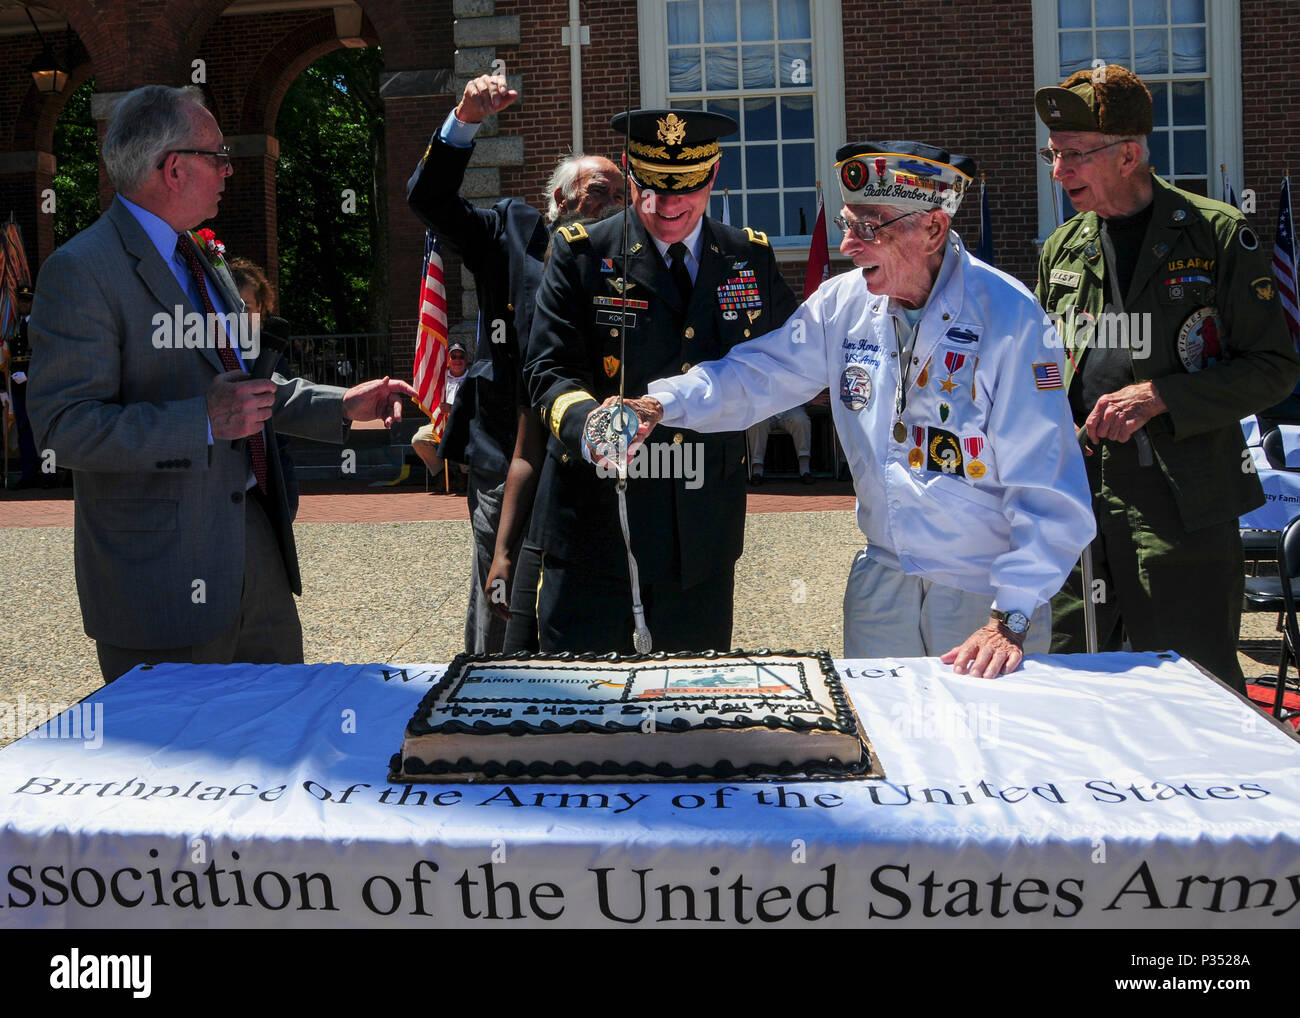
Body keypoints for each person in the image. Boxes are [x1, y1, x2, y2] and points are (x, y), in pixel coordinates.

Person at [620, 141, 1095, 677]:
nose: (848, 244)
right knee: (885, 748)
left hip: (981, 594)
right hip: (881, 582)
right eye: (848, 223)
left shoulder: (1011, 317)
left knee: (988, 750)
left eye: (870, 228)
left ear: (933, 230)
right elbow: (758, 374)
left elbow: (1048, 487)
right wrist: (658, 402)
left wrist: (1011, 614)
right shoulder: (843, 302)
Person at [26, 84, 418, 683]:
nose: (229, 168)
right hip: (159, 576)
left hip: (254, 554)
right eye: (218, 153)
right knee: (177, 770)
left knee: (281, 741)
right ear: (174, 168)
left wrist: (343, 404)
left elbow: (246, 387)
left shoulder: (199, 259)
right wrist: (200, 421)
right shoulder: (82, 271)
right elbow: (62, 429)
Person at [1034, 65, 1300, 692]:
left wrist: (1161, 395)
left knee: (1193, 687)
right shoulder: (1062, 249)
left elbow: (1274, 370)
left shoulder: (1217, 236)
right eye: (1053, 155)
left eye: (1075, 154)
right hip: (1079, 502)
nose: (1059, 170)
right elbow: (1047, 368)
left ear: (1130, 154)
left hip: (1182, 506)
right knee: (1074, 682)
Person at [524, 108, 799, 654]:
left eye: (685, 192)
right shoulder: (582, 255)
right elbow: (546, 370)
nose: (667, 207)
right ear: (631, 172)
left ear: (713, 174)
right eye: (652, 190)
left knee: (690, 711)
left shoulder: (748, 257)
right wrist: (590, 421)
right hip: (595, 531)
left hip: (699, 535)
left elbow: (788, 359)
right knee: (584, 711)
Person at [407, 72, 624, 654]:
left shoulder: (630, 258)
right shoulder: (508, 233)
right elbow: (429, 200)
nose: (614, 204)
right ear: (561, 200)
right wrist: (466, 122)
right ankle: (486, 709)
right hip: (509, 449)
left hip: (592, 459)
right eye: (601, 190)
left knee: (581, 596)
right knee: (502, 598)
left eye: (621, 195)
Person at [228, 257, 299, 519]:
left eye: (246, 308)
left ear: (261, 308)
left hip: (274, 465)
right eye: (231, 307)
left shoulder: (272, 352)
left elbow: (282, 399)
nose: (239, 315)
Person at [411, 342, 469, 493]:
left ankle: (465, 475)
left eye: (461, 356)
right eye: (453, 356)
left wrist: (453, 409)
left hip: (464, 425)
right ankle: (442, 473)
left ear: (466, 359)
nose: (457, 360)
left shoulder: (473, 379)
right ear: (448, 360)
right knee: (419, 439)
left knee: (464, 435)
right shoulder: (440, 379)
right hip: (440, 424)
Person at [4, 285, 40, 487]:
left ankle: (46, 473)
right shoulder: (13, 326)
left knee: (38, 427)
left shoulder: (37, 325)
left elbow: (44, 355)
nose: (24, 305)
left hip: (33, 382)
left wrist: (28, 374)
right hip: (17, 384)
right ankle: (28, 474)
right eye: (21, 301)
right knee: (23, 428)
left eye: (27, 301)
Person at [747, 405, 814, 485]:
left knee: (801, 420)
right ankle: (757, 471)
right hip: (764, 408)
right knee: (756, 423)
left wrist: (810, 399)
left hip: (791, 406)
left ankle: (805, 470)